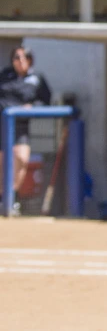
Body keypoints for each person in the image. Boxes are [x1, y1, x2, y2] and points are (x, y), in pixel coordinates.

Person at [0, 45, 51, 211]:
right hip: (2, 123)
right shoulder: (5, 76)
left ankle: (12, 197)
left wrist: (32, 106)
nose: (20, 61)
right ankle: (2, 198)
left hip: (21, 125)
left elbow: (45, 100)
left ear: (30, 60)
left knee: (21, 159)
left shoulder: (37, 79)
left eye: (24, 58)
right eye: (17, 58)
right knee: (1, 162)